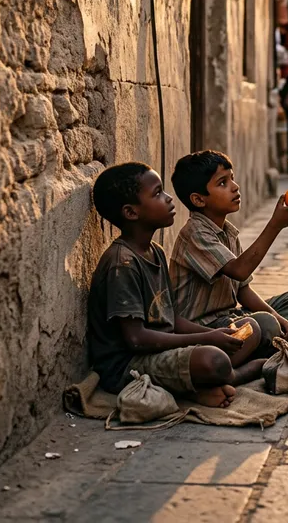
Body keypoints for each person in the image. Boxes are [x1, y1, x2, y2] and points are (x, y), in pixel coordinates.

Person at [88, 163, 266, 408]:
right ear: (131, 212)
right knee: (214, 361)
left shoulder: (156, 252)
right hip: (128, 365)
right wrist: (207, 340)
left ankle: (202, 385)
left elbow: (171, 319)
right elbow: (136, 339)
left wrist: (212, 336)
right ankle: (234, 376)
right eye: (158, 193)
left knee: (250, 329)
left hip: (160, 349)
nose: (169, 198)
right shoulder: (122, 264)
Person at [169, 150, 288, 351]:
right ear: (199, 200)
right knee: (261, 324)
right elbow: (240, 270)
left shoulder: (227, 232)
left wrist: (278, 317)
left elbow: (242, 289)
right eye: (223, 183)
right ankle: (275, 343)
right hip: (203, 329)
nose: (235, 187)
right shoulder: (195, 233)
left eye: (232, 179)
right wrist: (275, 225)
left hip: (231, 318)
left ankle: (276, 338)